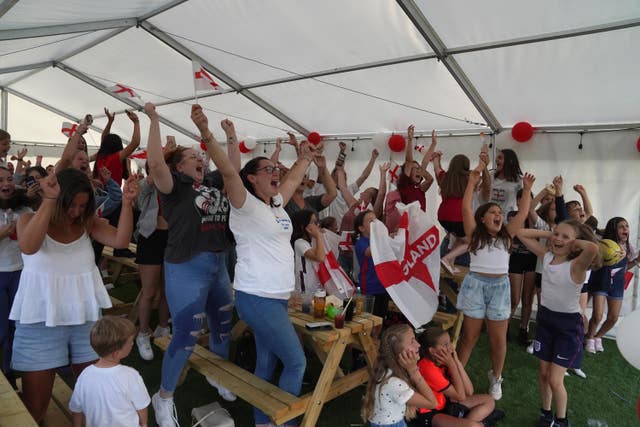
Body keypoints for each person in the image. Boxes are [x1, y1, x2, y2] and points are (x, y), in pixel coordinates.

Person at [187, 103, 315, 427]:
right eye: (268, 170)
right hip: (256, 298)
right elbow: (228, 171)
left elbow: (295, 176)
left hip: (275, 297)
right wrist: (207, 132)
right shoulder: (243, 204)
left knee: (266, 363)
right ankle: (280, 424)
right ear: (252, 179)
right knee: (297, 363)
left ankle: (260, 422)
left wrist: (305, 156)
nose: (277, 174)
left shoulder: (275, 204)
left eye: (277, 170)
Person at [10, 169, 138, 423]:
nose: (77, 211)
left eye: (83, 205)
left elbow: (121, 240)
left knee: (95, 399)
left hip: (85, 321)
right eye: (71, 205)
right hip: (39, 322)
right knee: (35, 409)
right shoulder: (27, 220)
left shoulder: (87, 223)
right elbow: (28, 246)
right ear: (57, 199)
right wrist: (49, 200)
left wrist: (126, 203)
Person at [144, 103, 240, 427]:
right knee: (186, 334)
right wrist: (154, 119)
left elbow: (232, 171)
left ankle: (217, 375)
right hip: (186, 267)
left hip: (218, 265)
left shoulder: (212, 182)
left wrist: (230, 136)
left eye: (200, 157)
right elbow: (156, 161)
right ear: (178, 167)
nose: (200, 160)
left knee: (223, 327)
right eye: (193, 158)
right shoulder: (172, 188)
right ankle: (164, 397)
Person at [455, 157, 535, 401]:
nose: (498, 215)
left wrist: (528, 190)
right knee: (469, 337)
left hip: (500, 287)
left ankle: (496, 377)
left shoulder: (507, 236)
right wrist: (472, 181)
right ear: (482, 218)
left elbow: (522, 213)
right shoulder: (474, 235)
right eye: (493, 212)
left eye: (500, 212)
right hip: (475, 285)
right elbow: (466, 208)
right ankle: (456, 375)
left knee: (498, 340)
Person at [516, 220, 599, 427]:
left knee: (555, 379)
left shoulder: (578, 264)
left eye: (564, 236)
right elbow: (521, 233)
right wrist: (551, 233)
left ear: (575, 243)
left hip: (568, 327)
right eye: (556, 234)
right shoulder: (547, 257)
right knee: (544, 375)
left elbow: (593, 247)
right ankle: (546, 414)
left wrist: (575, 242)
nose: (557, 239)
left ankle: (562, 421)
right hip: (545, 321)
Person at [69, 316, 150, 427]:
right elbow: (141, 406)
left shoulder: (85, 375)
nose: (132, 344)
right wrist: (144, 424)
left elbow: (76, 408)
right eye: (130, 342)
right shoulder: (131, 375)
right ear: (116, 353)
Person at [416, 327, 501, 427]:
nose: (451, 347)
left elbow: (469, 391)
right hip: (431, 412)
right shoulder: (428, 368)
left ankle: (465, 422)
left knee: (489, 400)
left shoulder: (442, 360)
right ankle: (481, 423)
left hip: (446, 402)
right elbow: (460, 396)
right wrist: (452, 365)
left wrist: (456, 362)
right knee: (473, 426)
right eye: (446, 344)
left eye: (450, 342)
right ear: (432, 351)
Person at [361, 323, 438, 427]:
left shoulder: (389, 370)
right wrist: (414, 371)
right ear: (399, 352)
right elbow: (432, 403)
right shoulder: (394, 383)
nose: (418, 345)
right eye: (412, 342)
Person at [133, 163, 170, 361]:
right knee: (148, 292)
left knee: (167, 289)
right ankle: (143, 333)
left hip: (172, 239)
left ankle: (163, 327)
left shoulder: (174, 186)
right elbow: (141, 195)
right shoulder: (145, 186)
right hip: (150, 238)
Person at [586, 217, 638, 353]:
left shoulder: (629, 248)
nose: (625, 229)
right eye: (621, 226)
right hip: (601, 282)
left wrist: (637, 260)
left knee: (613, 318)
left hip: (617, 284)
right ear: (613, 229)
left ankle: (598, 336)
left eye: (626, 226)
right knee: (597, 315)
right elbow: (595, 264)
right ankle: (589, 338)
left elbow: (624, 267)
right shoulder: (604, 244)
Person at [0, 166, 32, 387]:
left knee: (15, 326)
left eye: (10, 179)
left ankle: (9, 371)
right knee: (1, 329)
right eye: (1, 180)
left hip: (20, 273)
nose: (7, 183)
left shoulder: (24, 210)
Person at [507, 189, 538, 346]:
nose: (525, 201)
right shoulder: (512, 215)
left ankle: (523, 329)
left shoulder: (535, 216)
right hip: (516, 259)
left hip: (532, 259)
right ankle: (504, 327)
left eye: (528, 198)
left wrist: (531, 212)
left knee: (528, 298)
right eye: (522, 198)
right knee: (514, 298)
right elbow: (517, 233)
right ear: (518, 200)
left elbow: (533, 232)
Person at [93, 108, 141, 186]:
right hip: (113, 195)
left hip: (98, 193)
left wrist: (110, 122)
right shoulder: (115, 158)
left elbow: (104, 138)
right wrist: (136, 122)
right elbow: (135, 142)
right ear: (119, 146)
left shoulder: (100, 158)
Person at [399, 126, 436, 211]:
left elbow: (425, 164)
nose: (418, 170)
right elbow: (409, 161)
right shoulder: (404, 185)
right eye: (414, 168)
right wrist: (410, 140)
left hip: (421, 223)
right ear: (407, 171)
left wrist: (433, 144)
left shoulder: (420, 188)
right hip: (408, 222)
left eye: (418, 168)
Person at [291, 209, 326, 295]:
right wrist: (318, 236)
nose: (317, 225)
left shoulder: (313, 241)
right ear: (303, 226)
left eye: (317, 222)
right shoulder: (299, 242)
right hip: (305, 289)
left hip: (317, 286)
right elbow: (320, 257)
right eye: (313, 222)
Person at [487, 149, 522, 214]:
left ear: (509, 161)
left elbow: (521, 201)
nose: (496, 160)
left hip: (508, 217)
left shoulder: (518, 180)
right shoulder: (491, 175)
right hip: (491, 216)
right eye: (497, 157)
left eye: (500, 158)